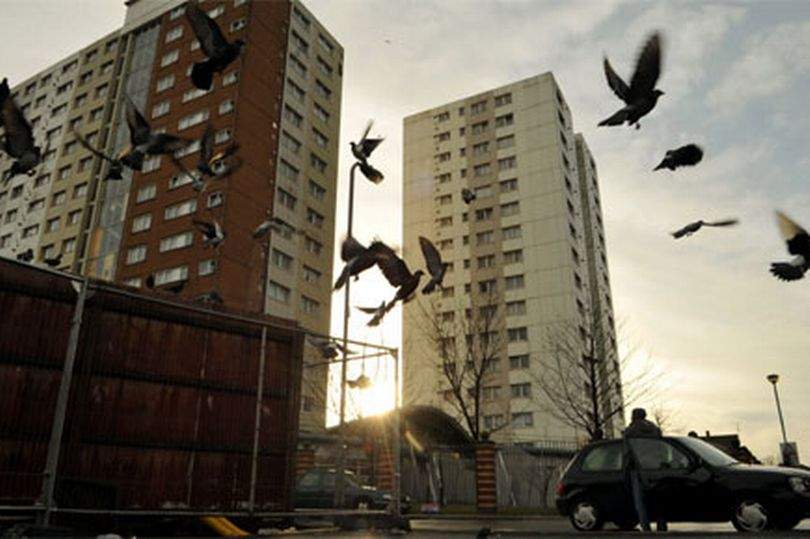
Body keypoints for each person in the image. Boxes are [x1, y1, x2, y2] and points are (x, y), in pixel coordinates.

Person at [623, 408, 666, 532]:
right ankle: (661, 524)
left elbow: (627, 452)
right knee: (657, 498)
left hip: (638, 468)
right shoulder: (655, 430)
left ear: (633, 416)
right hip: (656, 468)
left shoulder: (629, 431)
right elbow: (661, 448)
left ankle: (645, 527)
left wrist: (626, 468)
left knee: (640, 501)